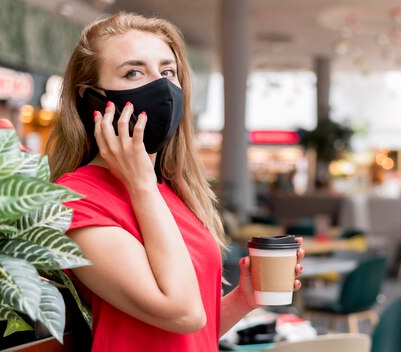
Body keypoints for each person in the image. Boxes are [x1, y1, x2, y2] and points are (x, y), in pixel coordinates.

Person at [45, 12, 304, 351]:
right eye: (133, 72)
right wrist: (141, 186)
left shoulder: (170, 190)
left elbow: (189, 334)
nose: (162, 86)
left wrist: (242, 299)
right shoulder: (75, 198)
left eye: (168, 72)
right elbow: (182, 313)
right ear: (90, 97)